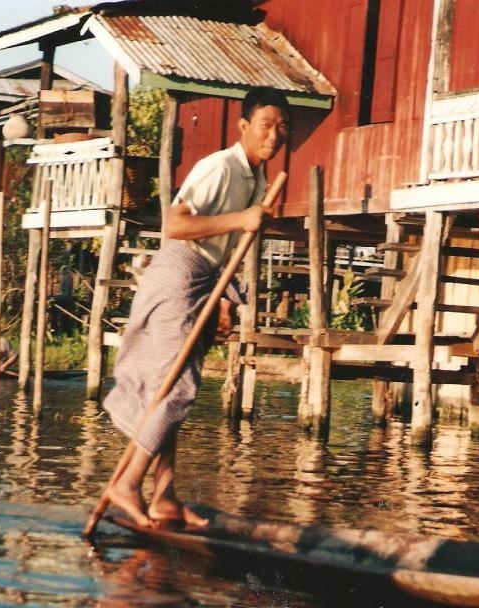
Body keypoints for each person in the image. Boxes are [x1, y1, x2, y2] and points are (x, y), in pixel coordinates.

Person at [102, 87, 290, 529]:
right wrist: (241, 219)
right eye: (267, 125)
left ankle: (164, 497)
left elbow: (227, 251)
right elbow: (174, 224)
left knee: (178, 387)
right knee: (174, 386)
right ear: (243, 127)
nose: (275, 135)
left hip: (205, 280)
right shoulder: (220, 167)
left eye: (283, 127)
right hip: (178, 273)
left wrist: (225, 299)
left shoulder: (258, 179)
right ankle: (126, 485)